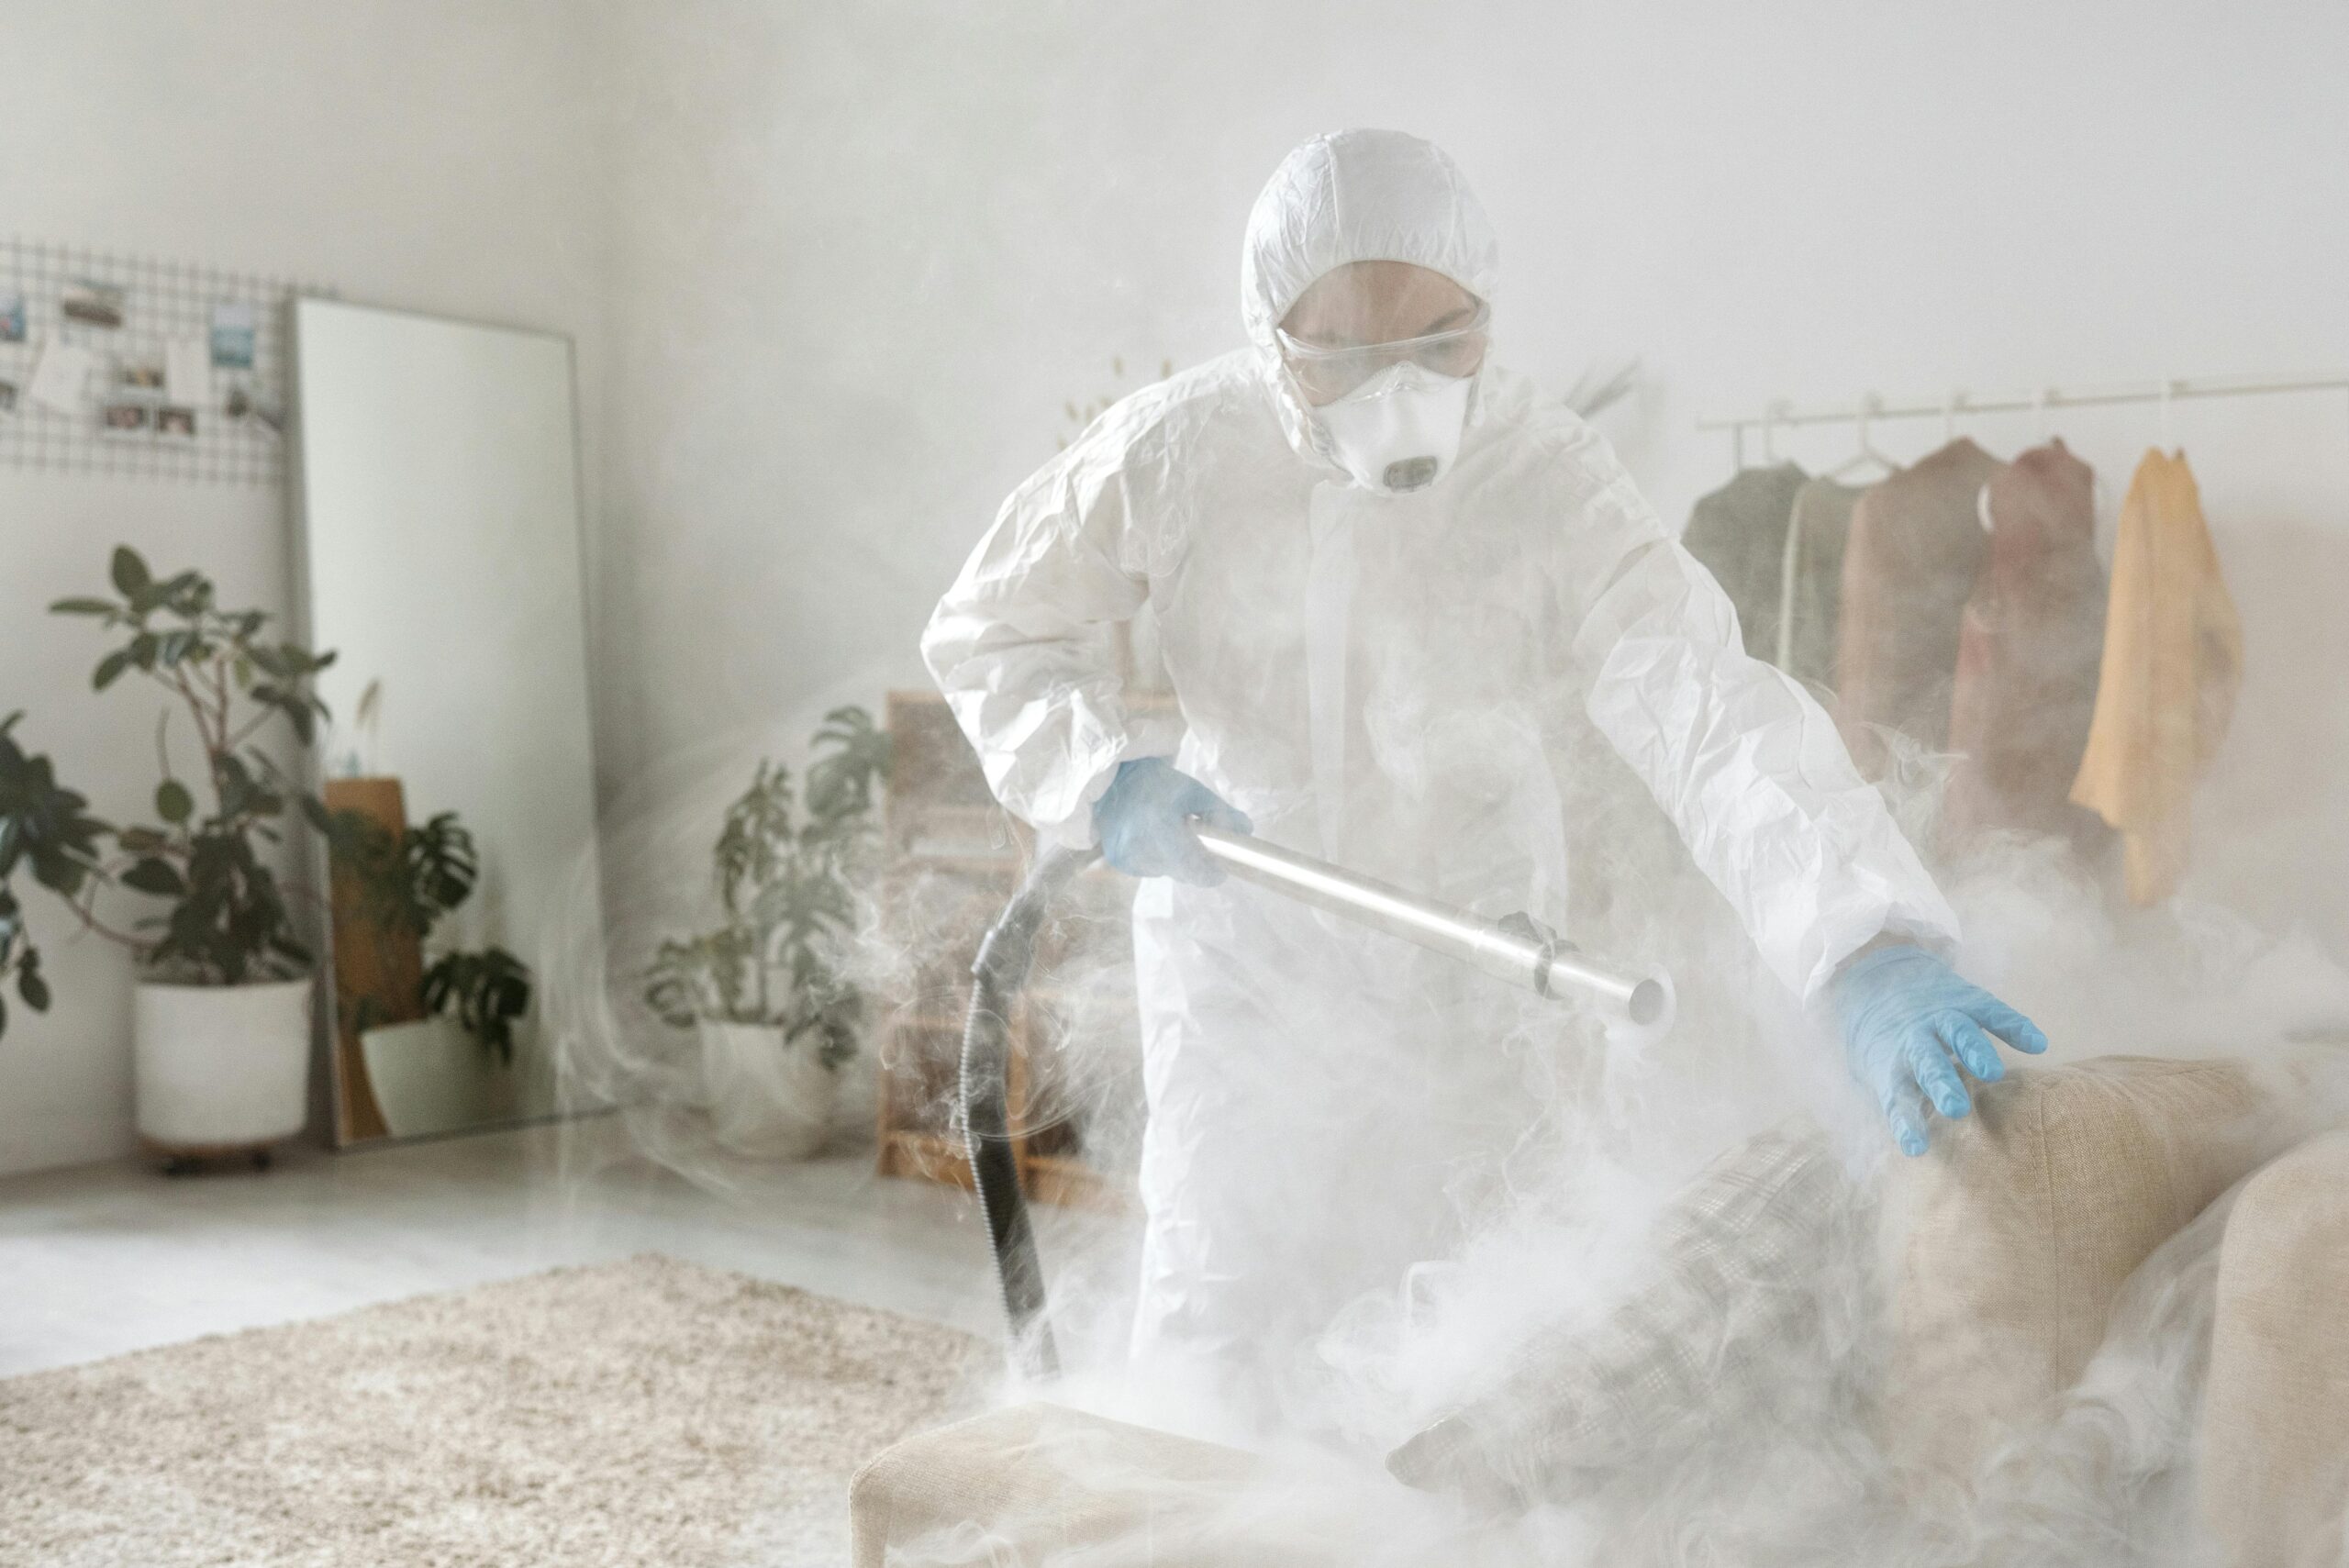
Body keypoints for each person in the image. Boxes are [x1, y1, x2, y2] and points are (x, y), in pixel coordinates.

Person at [922, 129, 2043, 1412]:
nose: (1399, 391)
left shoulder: (1544, 474)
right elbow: (990, 628)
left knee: (1473, 1321)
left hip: (1476, 947)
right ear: (1270, 334)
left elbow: (1699, 694)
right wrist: (1102, 772)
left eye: (1441, 344)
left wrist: (1859, 938)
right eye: (1343, 354)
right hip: (1246, 946)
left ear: (1487, 318)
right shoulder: (1180, 449)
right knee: (1221, 1317)